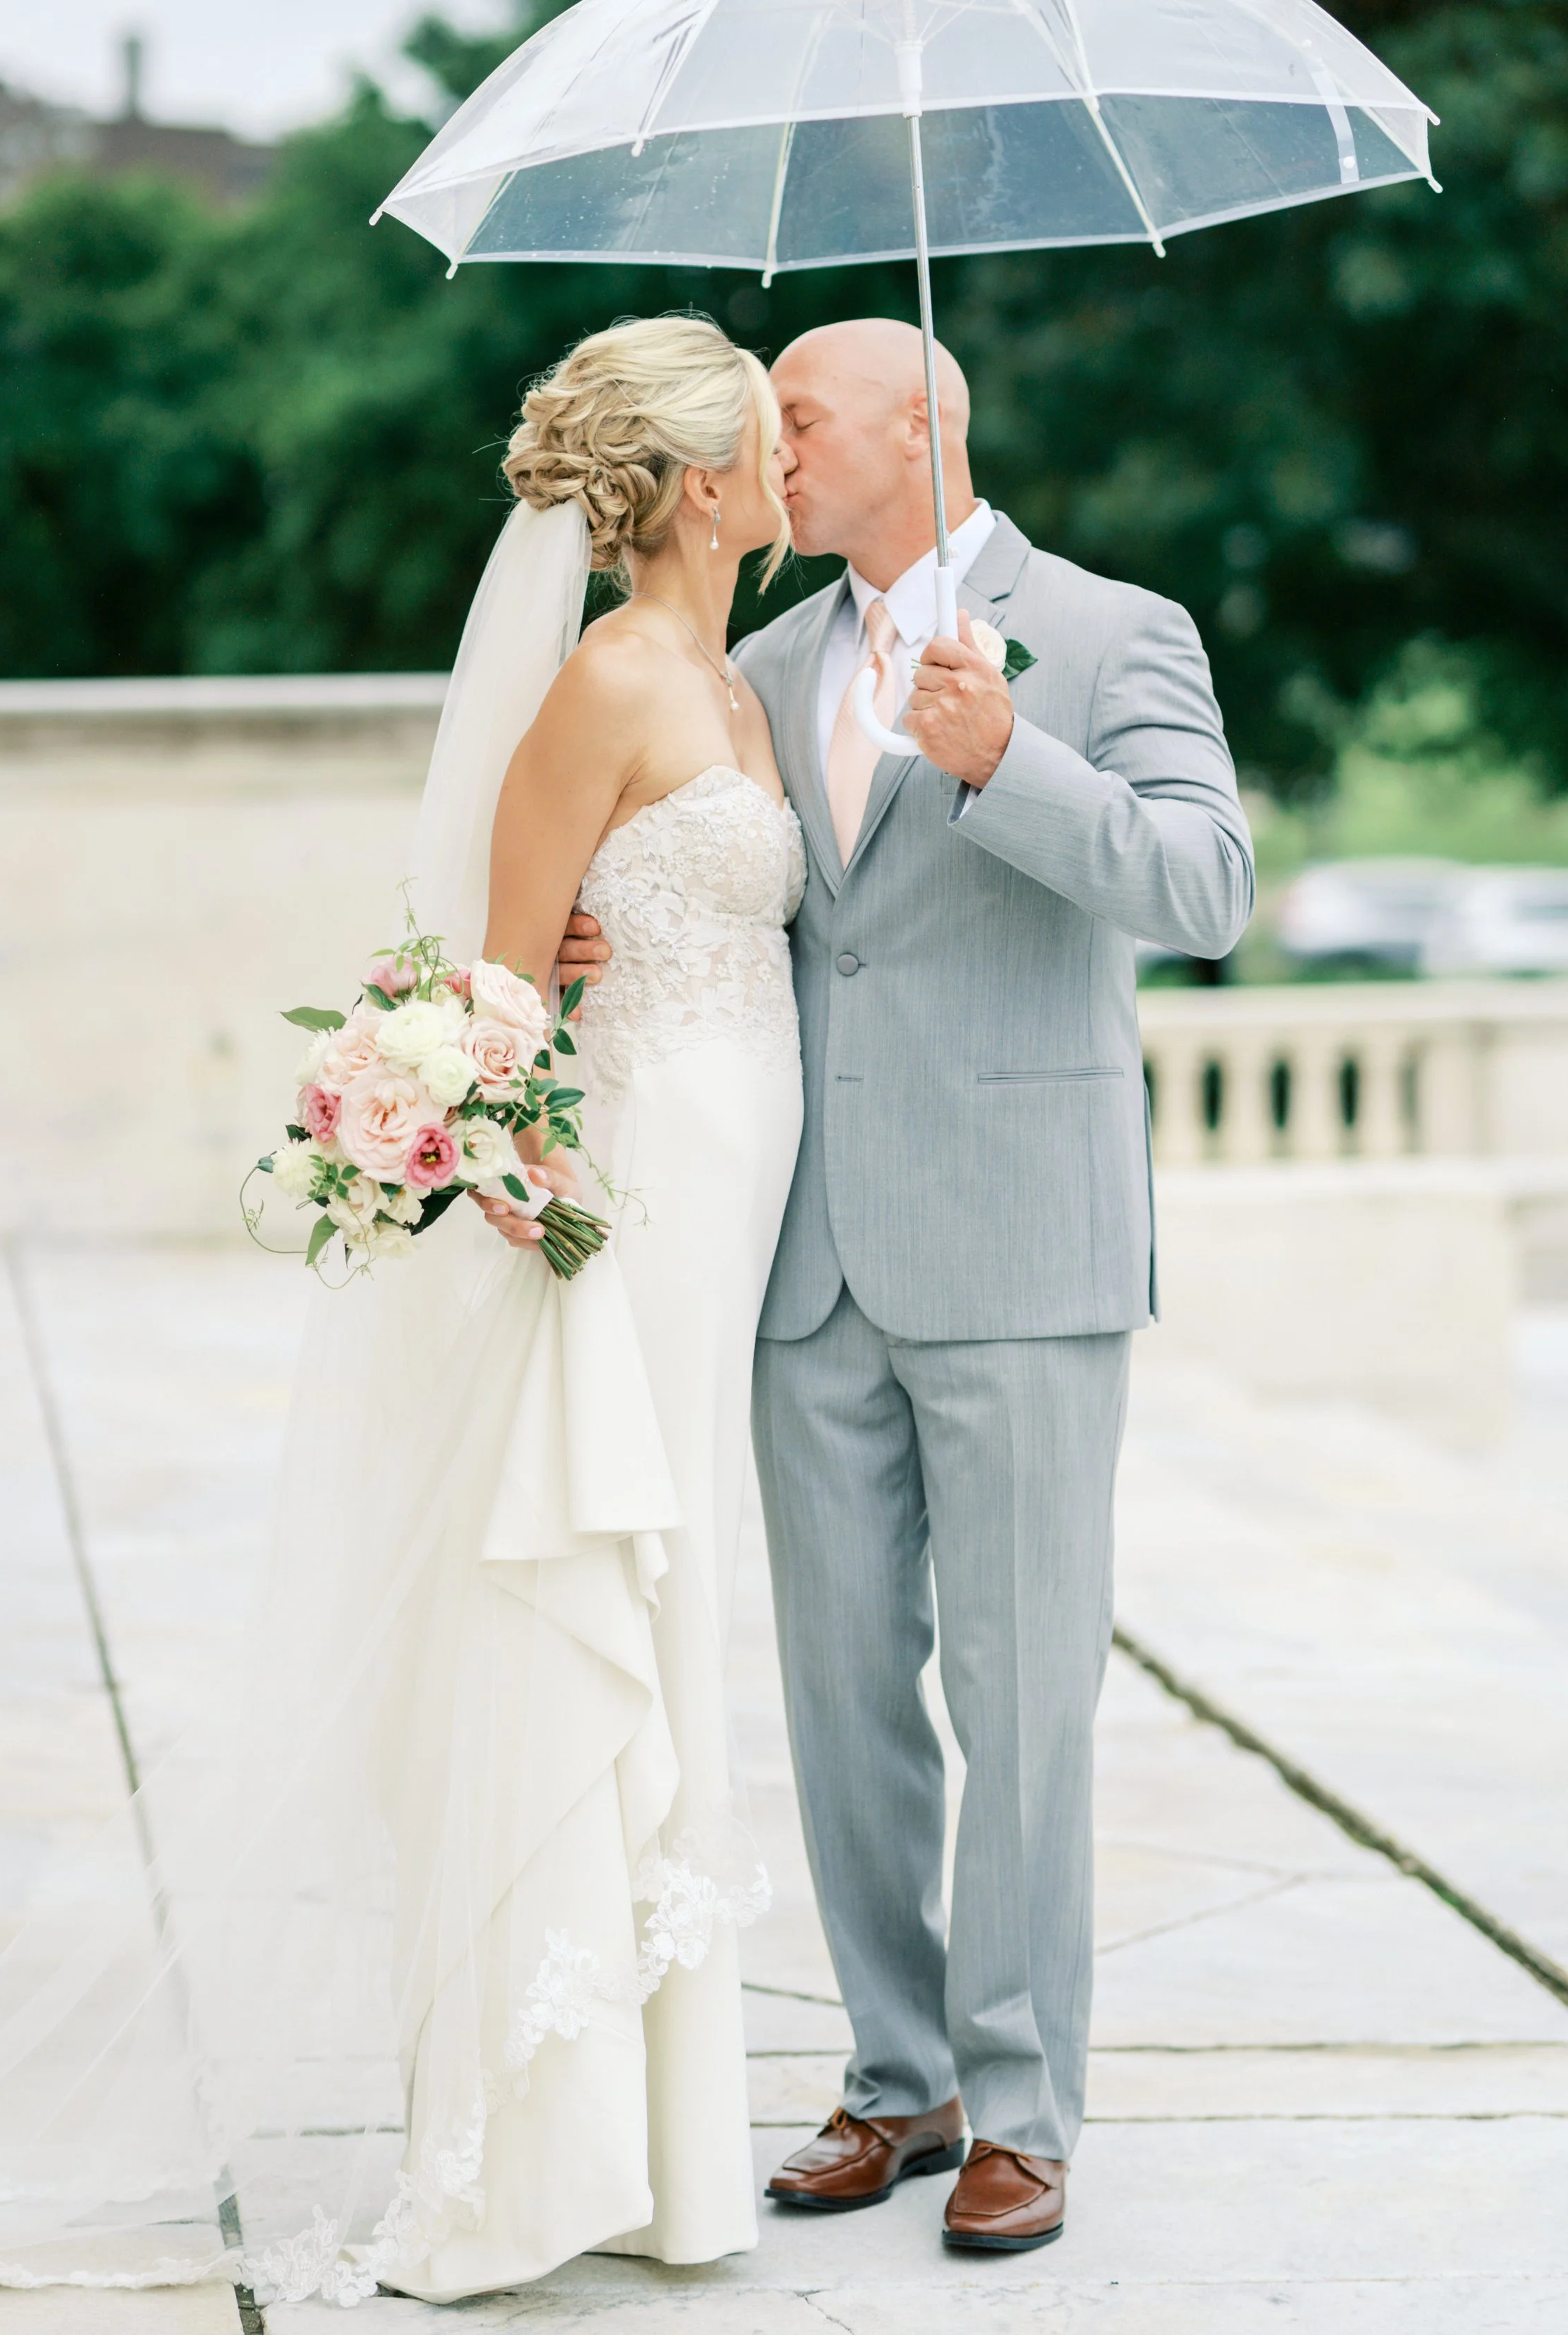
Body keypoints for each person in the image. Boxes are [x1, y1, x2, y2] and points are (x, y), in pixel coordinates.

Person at [0, 317, 805, 2306]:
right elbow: (499, 990)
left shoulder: (735, 680)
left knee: (690, 1608)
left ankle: (664, 2148)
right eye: (774, 438)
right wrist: (532, 1172)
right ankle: (524, 2155)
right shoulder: (610, 680)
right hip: (631, 1206)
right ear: (704, 485)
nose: (795, 465)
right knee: (605, 1601)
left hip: (735, 1198)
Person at [559, 317, 1254, 2254]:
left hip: (1023, 1250)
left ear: (920, 426)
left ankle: (1023, 2103)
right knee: (840, 1692)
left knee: (1022, 1699)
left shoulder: (1110, 636)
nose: (765, 445)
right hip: (804, 1260)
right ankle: (897, 2076)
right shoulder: (762, 665)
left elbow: (1206, 891)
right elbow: (731, 908)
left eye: (796, 415)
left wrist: (1010, 761)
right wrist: (595, 940)